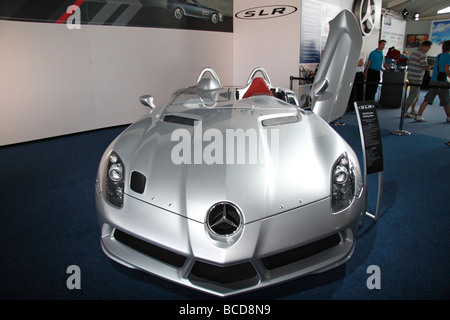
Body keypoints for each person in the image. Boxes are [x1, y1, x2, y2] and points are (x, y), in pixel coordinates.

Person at [415, 40, 450, 122]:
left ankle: (419, 115)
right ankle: (449, 117)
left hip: (433, 80)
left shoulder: (439, 56)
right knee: (446, 100)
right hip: (441, 82)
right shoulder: (448, 56)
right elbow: (446, 69)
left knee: (427, 99)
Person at [404, 40, 432, 118]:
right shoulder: (422, 54)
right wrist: (430, 66)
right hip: (416, 77)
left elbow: (408, 63)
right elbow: (424, 66)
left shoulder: (414, 53)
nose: (428, 49)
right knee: (413, 95)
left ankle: (413, 110)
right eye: (428, 48)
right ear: (425, 46)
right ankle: (404, 111)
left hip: (411, 76)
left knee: (416, 94)